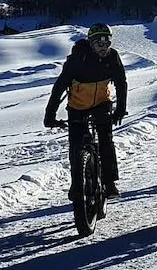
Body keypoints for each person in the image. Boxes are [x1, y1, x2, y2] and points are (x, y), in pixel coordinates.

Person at [43, 23, 128, 200]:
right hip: (77, 107)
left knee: (106, 140)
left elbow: (121, 83)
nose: (104, 48)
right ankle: (76, 185)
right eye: (99, 44)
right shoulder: (77, 60)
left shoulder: (113, 57)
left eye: (107, 43)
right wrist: (50, 115)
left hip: (101, 103)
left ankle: (110, 183)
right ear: (91, 43)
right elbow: (59, 87)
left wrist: (120, 109)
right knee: (76, 146)